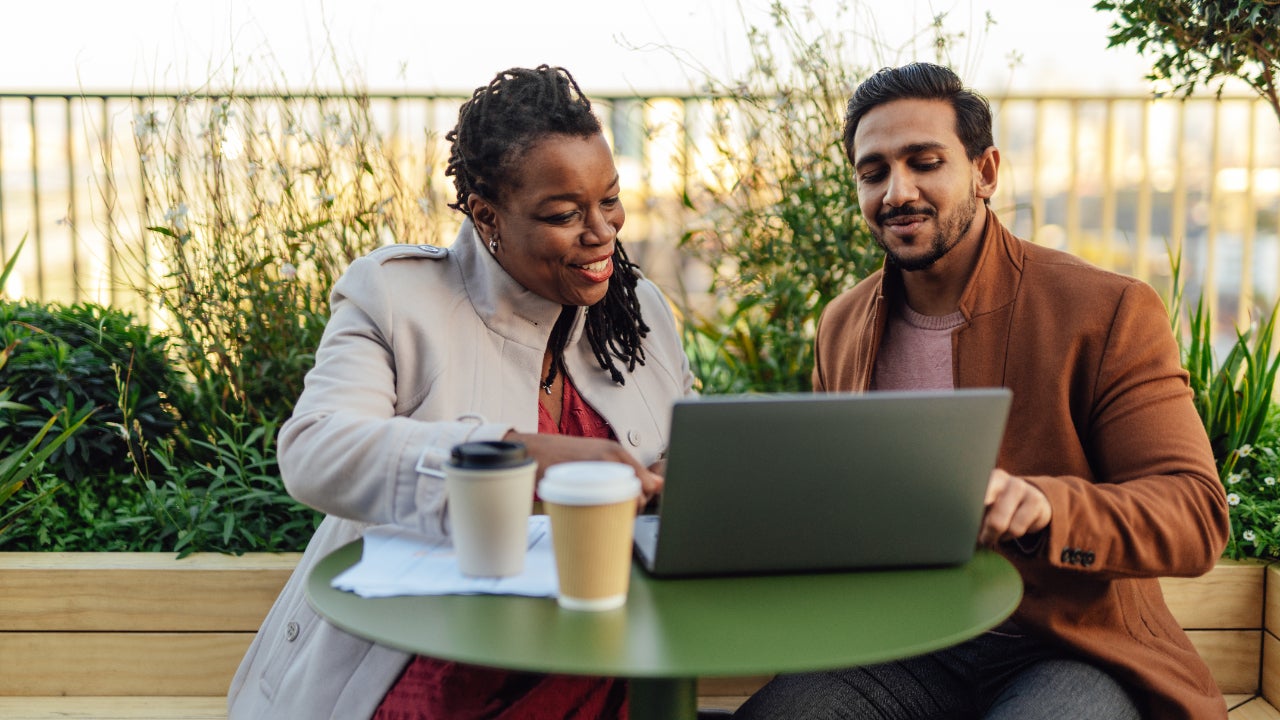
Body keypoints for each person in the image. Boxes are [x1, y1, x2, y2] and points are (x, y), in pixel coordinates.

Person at [732, 62, 1230, 720]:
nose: (896, 191)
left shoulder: (1106, 311)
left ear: (985, 172)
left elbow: (1194, 514)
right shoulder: (841, 325)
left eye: (925, 161)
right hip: (899, 647)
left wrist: (1045, 505)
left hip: (1063, 648)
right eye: (873, 171)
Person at [227, 64, 695, 720]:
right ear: (487, 215)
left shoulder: (638, 308)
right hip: (423, 665)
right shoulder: (396, 297)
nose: (602, 232)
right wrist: (514, 455)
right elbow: (314, 450)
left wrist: (680, 481)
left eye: (609, 199)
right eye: (564, 214)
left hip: (603, 657)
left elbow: (678, 446)